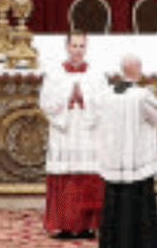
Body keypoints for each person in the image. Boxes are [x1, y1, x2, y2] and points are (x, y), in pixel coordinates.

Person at [95, 53, 157, 248]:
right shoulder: (142, 95)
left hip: (115, 157)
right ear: (136, 70)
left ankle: (112, 243)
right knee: (137, 199)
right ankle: (139, 245)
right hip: (136, 157)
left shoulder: (107, 94)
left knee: (115, 198)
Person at [38, 32, 106, 237]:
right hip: (64, 131)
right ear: (67, 47)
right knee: (65, 175)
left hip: (87, 131)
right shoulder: (54, 73)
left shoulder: (97, 74)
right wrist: (68, 97)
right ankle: (65, 225)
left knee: (88, 176)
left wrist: (84, 98)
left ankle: (87, 225)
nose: (77, 50)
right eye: (74, 46)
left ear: (86, 48)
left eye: (81, 46)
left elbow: (104, 102)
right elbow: (45, 103)